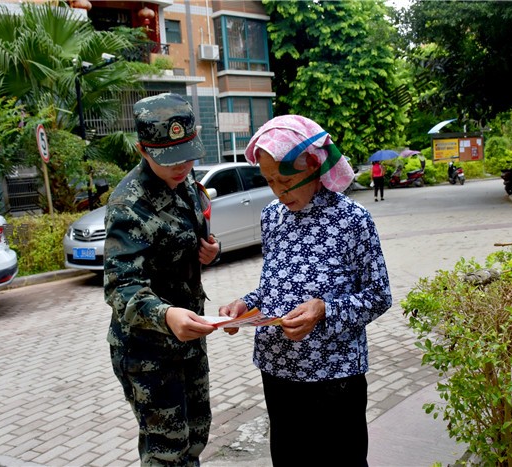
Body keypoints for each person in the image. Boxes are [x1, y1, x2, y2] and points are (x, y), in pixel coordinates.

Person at [218, 115, 392, 467]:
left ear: (314, 166)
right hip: (277, 369)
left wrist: (324, 310)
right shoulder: (272, 216)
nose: (279, 192)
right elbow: (274, 287)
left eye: (286, 180)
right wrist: (245, 305)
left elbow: (378, 295)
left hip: (334, 376)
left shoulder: (352, 219)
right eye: (269, 181)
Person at [104, 93, 220, 465]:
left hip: (189, 338)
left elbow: (194, 234)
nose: (182, 165)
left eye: (187, 154)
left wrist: (210, 250)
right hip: (148, 349)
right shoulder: (128, 205)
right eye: (168, 158)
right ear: (142, 149)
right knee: (166, 450)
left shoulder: (186, 184)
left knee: (196, 435)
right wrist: (166, 316)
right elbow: (121, 288)